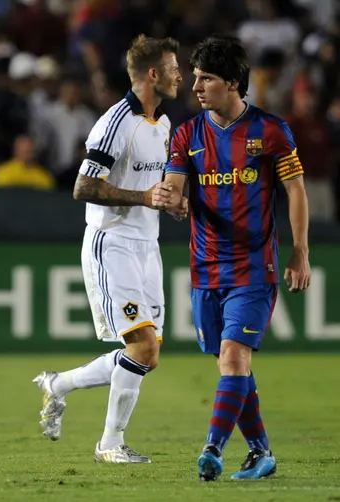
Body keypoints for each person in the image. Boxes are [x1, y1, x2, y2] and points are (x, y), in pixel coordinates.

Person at [157, 36, 311, 481]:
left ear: (234, 83)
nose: (196, 87)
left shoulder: (270, 131)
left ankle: (213, 449)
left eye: (207, 79)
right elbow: (175, 189)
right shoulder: (187, 134)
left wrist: (300, 253)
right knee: (232, 368)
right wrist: (173, 201)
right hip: (205, 270)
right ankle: (261, 452)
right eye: (196, 77)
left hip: (253, 267)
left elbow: (295, 190)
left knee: (233, 357)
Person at [33, 34, 183, 463]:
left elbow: (151, 187)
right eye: (174, 67)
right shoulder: (115, 121)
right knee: (142, 348)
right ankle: (110, 444)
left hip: (146, 246)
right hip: (111, 243)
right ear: (153, 73)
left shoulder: (164, 122)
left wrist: (171, 203)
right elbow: (83, 186)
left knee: (147, 355)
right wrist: (142, 199)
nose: (180, 75)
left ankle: (58, 384)